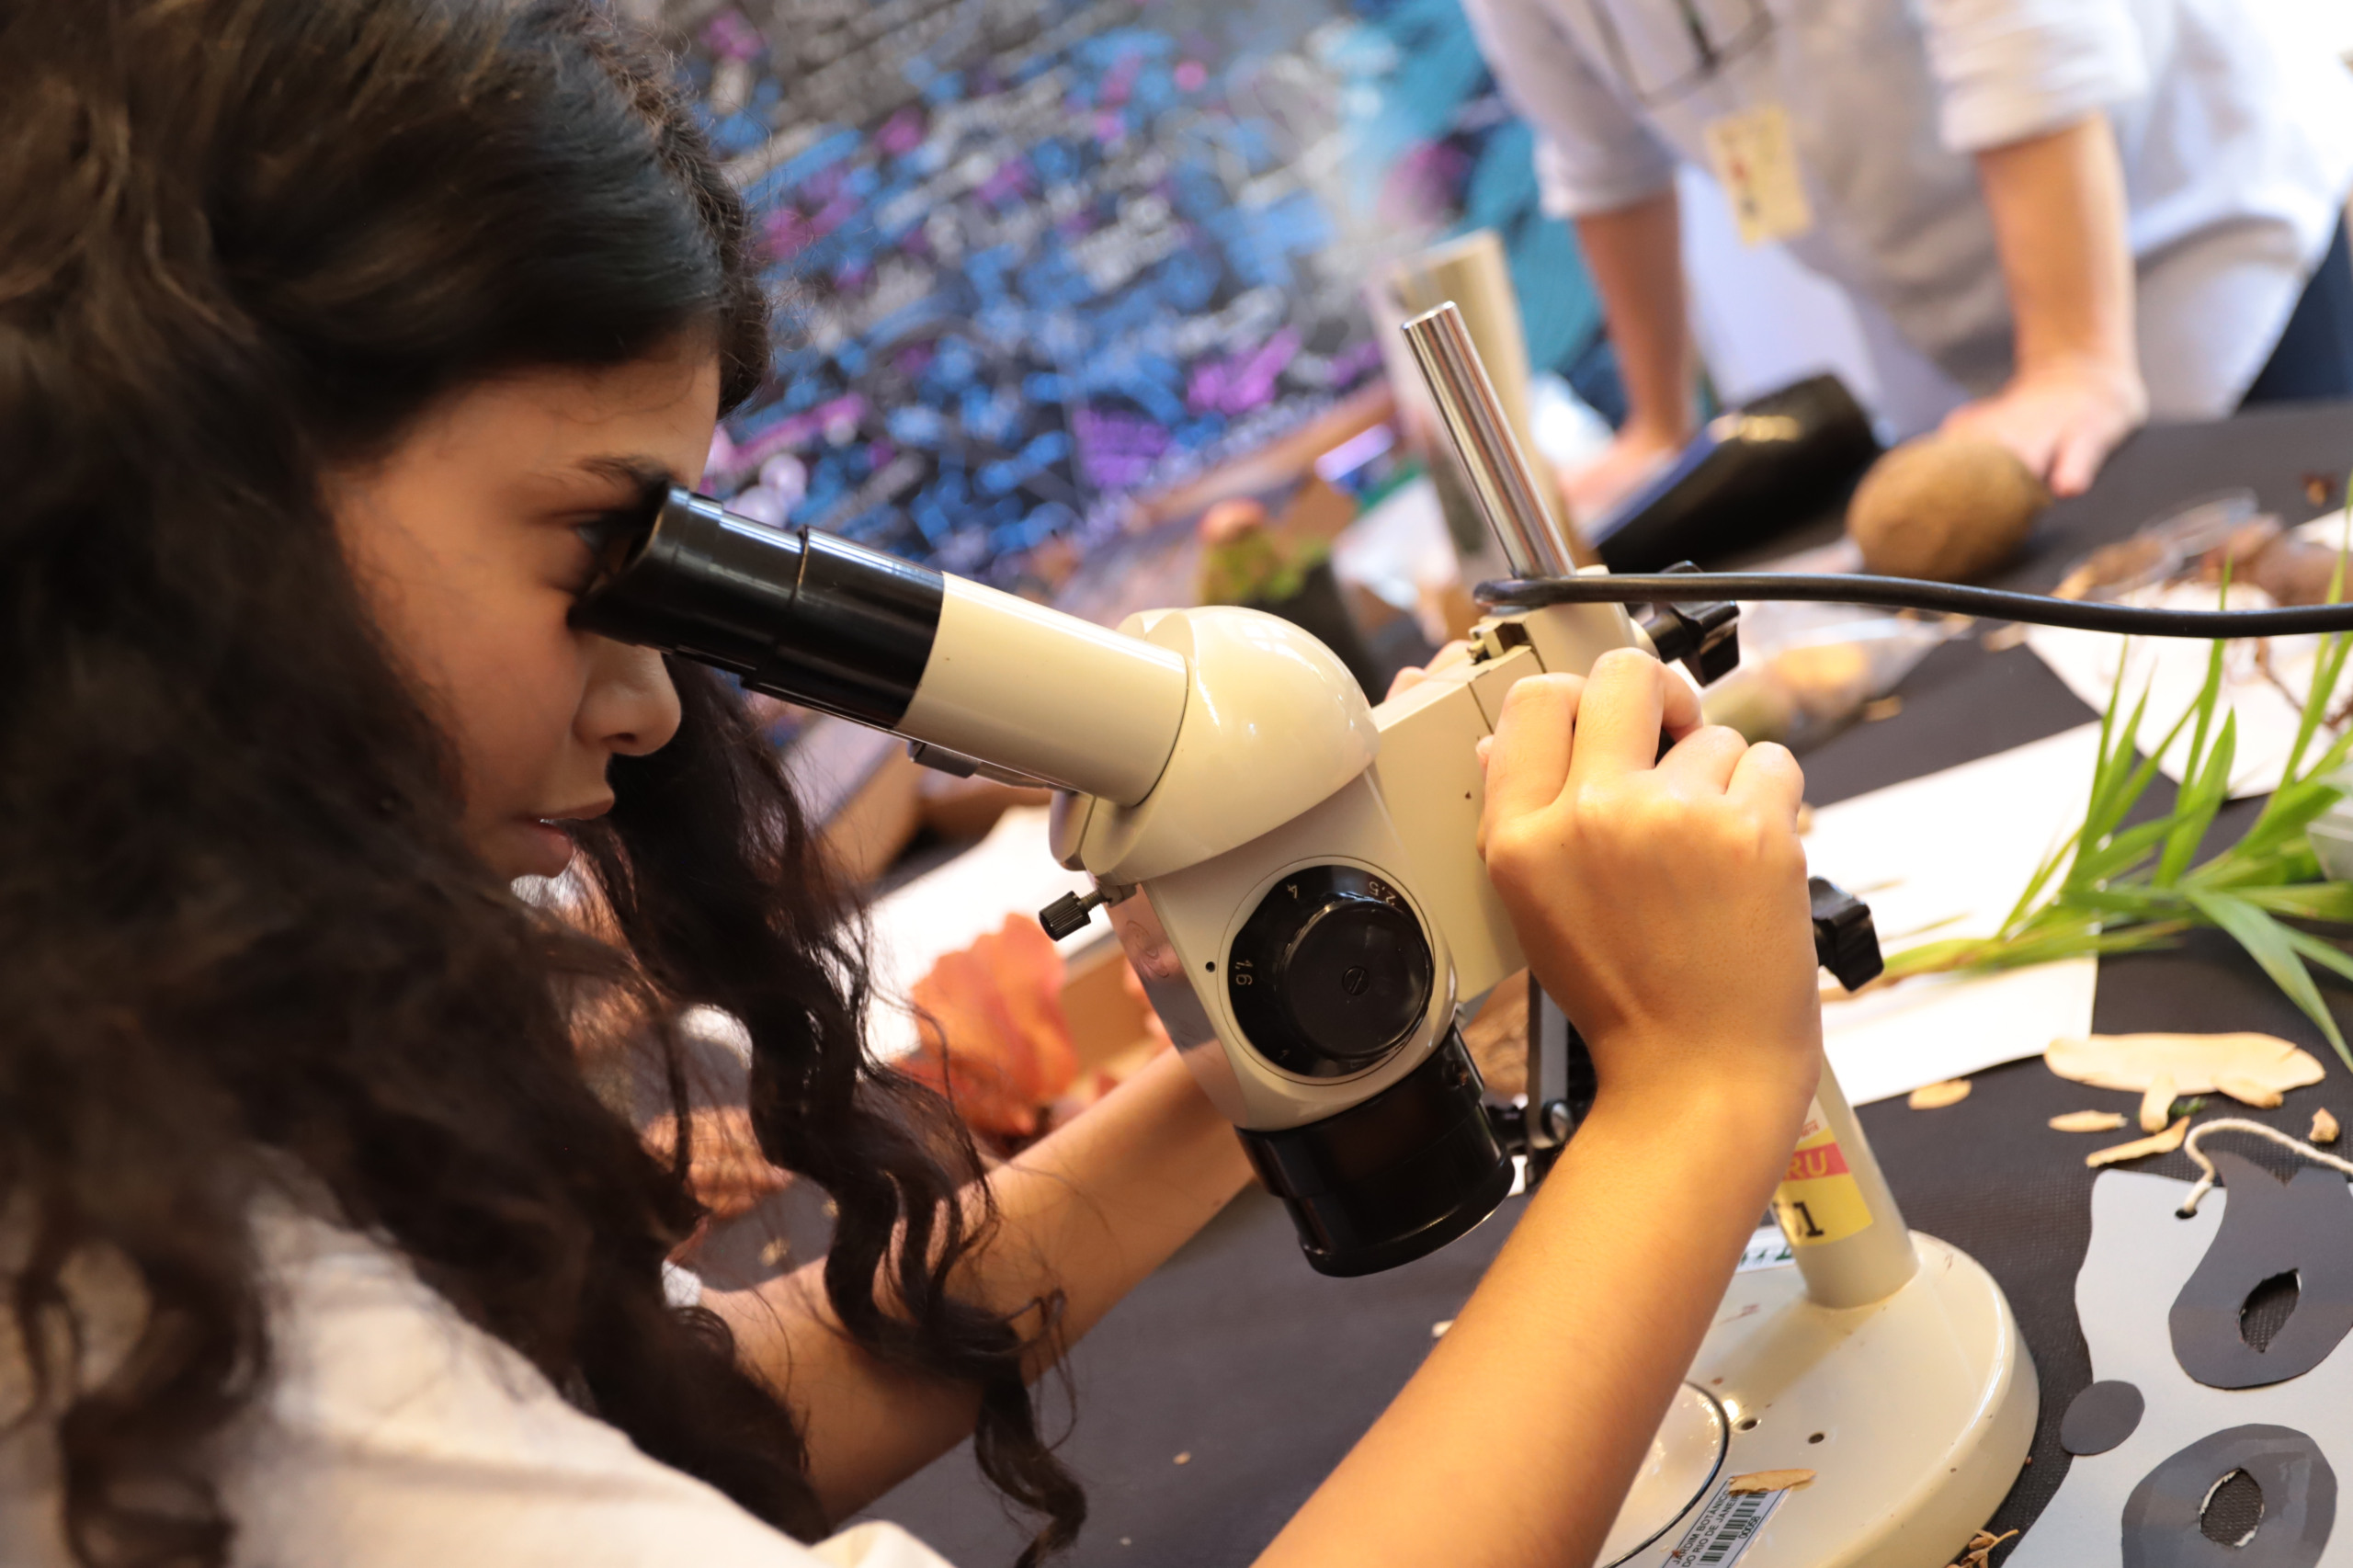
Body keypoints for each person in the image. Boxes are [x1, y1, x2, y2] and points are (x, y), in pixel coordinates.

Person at [0, 5, 1824, 1566]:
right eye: (593, 546)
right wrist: (1693, 1094)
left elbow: (671, 1431)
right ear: (188, 511)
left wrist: (1267, 1071)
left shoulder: (150, 1088)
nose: (650, 708)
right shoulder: (109, 1317)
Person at [1460, 0, 2353, 517]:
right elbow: (1601, 160)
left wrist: (2072, 358)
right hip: (1958, 355)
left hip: (2185, 247)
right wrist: (1654, 424)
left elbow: (2020, 34)